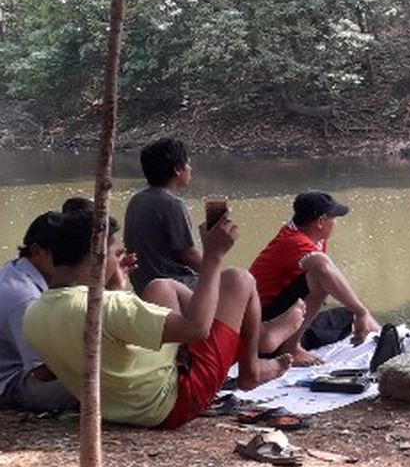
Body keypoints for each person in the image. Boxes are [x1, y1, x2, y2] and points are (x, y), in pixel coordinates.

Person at [23, 209, 298, 428]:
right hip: (171, 402)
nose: (119, 260)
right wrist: (213, 255)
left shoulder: (34, 312)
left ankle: (253, 335)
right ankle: (250, 368)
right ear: (97, 257)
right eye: (115, 254)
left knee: (161, 286)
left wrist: (116, 286)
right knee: (239, 279)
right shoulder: (107, 306)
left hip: (114, 407)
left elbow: (86, 348)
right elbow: (197, 329)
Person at [0, 206, 131, 412]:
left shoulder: (23, 269)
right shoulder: (24, 298)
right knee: (104, 387)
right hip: (13, 382)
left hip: (34, 368)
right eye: (61, 254)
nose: (69, 260)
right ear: (36, 252)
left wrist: (111, 288)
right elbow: (42, 371)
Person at [249, 191, 380, 366]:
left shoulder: (310, 235)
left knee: (345, 315)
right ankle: (289, 347)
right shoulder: (294, 241)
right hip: (263, 318)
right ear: (320, 222)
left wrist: (358, 311)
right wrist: (361, 312)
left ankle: (289, 342)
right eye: (333, 219)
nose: (335, 224)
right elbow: (323, 268)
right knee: (319, 278)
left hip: (281, 309)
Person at [124, 137, 200, 295]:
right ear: (177, 170)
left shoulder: (136, 200)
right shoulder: (173, 204)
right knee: (235, 282)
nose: (190, 169)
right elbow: (189, 255)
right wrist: (215, 272)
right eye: (187, 164)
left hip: (142, 285)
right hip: (172, 283)